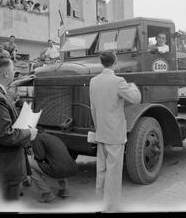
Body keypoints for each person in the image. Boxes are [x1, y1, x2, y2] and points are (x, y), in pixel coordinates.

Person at [0, 52, 38, 211]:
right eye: (13, 70)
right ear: (6, 73)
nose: (14, 73)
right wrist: (29, 133)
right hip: (3, 171)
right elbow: (3, 135)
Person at [89, 50, 141, 212]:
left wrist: (98, 128)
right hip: (115, 135)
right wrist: (132, 85)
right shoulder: (119, 81)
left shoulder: (93, 81)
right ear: (115, 62)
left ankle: (99, 202)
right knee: (114, 173)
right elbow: (136, 98)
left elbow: (93, 108)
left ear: (101, 62)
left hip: (101, 132)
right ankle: (111, 207)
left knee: (102, 170)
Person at [27, 132, 78, 203]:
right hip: (72, 167)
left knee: (28, 162)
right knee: (58, 162)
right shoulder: (54, 137)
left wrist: (32, 152)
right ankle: (64, 190)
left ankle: (46, 193)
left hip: (58, 170)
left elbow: (40, 157)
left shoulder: (37, 138)